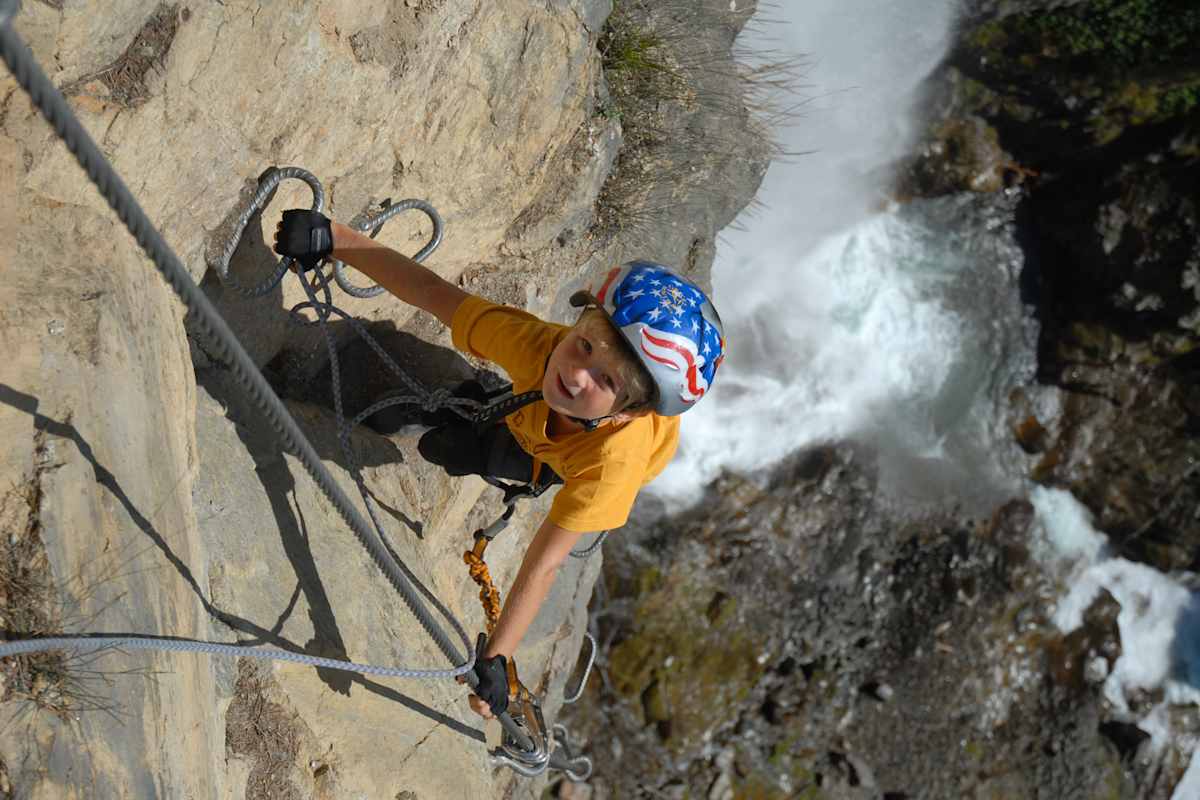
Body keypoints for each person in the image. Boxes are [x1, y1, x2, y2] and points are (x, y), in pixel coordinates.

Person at [273, 209, 725, 720]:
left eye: (607, 381)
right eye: (583, 346)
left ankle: (506, 438)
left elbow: (545, 562)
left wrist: (498, 657)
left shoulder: (608, 471)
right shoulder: (538, 348)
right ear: (575, 325)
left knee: (467, 449)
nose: (577, 375)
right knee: (452, 441)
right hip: (541, 422)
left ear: (629, 409)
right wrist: (335, 239)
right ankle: (487, 413)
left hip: (571, 458)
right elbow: (436, 296)